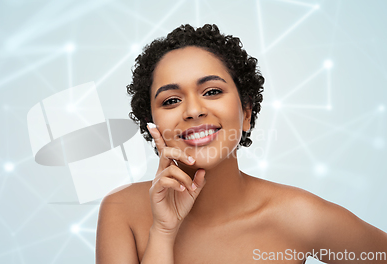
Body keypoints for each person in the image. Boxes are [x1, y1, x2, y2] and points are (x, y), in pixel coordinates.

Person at [95, 24, 387, 263]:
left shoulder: (299, 216)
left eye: (211, 91)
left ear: (246, 112)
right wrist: (162, 231)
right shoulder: (121, 211)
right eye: (171, 100)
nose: (193, 110)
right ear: (153, 123)